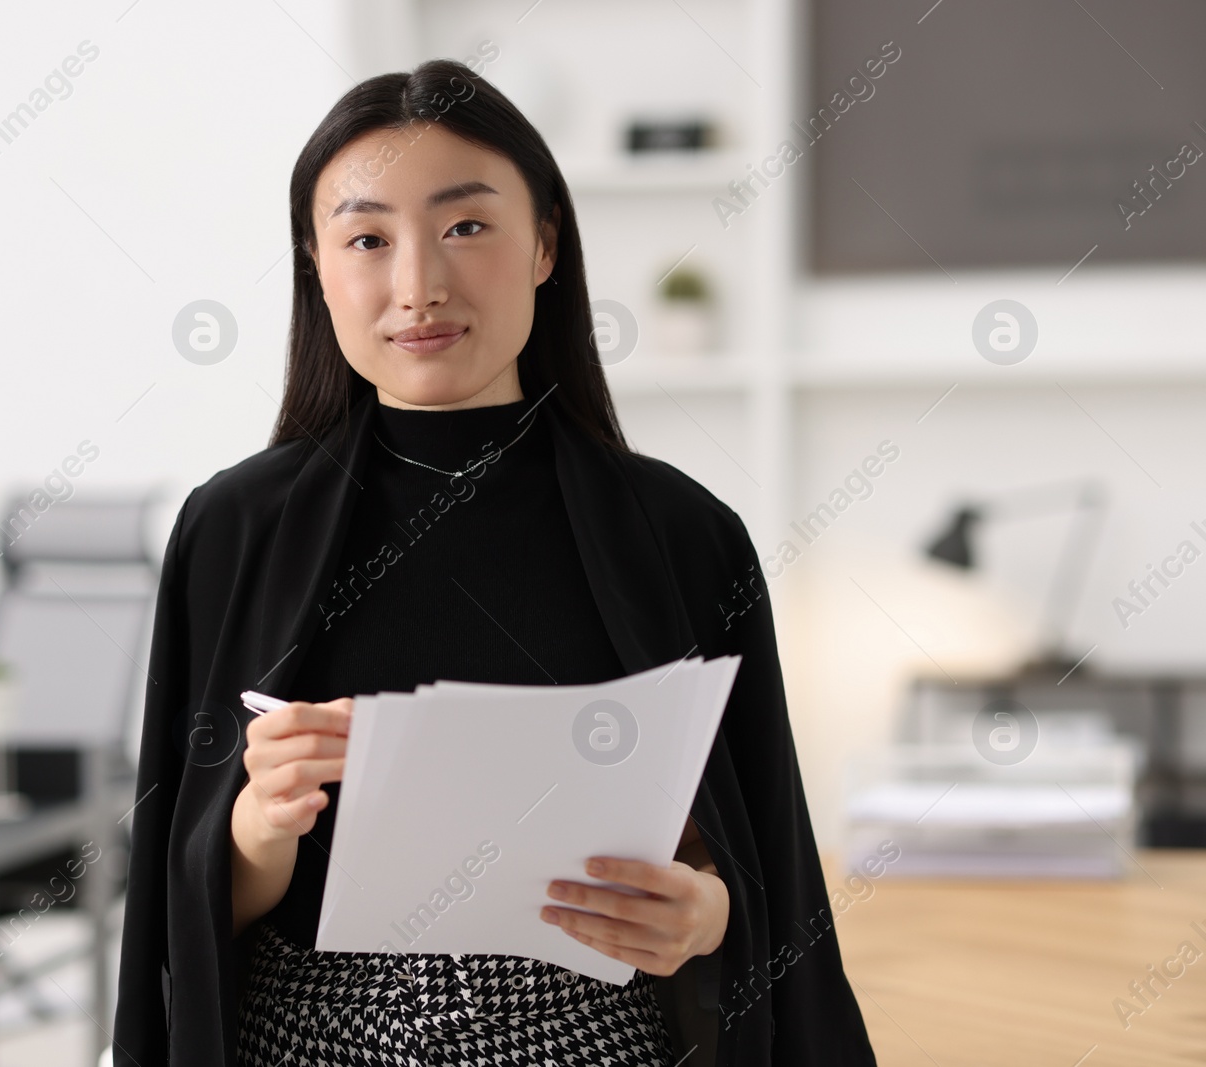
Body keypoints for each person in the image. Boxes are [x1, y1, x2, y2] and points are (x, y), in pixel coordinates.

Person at [112, 58, 876, 1067]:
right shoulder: (232, 529)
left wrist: (701, 912)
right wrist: (256, 830)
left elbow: (754, 853)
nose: (418, 284)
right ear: (316, 266)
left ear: (546, 243)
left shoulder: (686, 534)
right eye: (367, 238)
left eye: (465, 226)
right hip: (303, 1038)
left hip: (587, 1035)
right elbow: (182, 909)